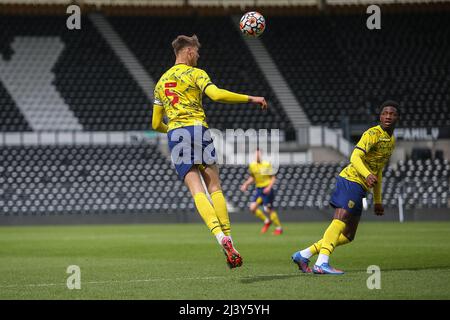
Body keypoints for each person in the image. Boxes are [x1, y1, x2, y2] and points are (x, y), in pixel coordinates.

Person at [151, 35, 267, 269]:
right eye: (197, 52)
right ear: (189, 51)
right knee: (214, 186)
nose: (199, 56)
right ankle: (230, 239)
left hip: (176, 134)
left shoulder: (161, 82)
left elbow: (155, 124)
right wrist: (251, 98)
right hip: (197, 129)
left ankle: (219, 238)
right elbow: (216, 95)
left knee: (197, 192)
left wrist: (173, 129)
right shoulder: (197, 73)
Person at [291, 101, 399, 274]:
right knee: (340, 219)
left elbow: (378, 171)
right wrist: (366, 174)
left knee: (349, 235)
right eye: (385, 113)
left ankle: (304, 254)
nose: (388, 116)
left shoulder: (391, 141)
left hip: (362, 186)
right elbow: (355, 157)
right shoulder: (372, 134)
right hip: (351, 179)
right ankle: (322, 262)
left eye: (392, 114)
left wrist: (378, 200)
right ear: (380, 116)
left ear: (397, 117)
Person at [240, 149, 283, 235]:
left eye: (259, 154)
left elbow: (273, 178)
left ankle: (279, 228)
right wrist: (245, 184)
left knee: (268, 209)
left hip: (267, 189)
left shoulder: (266, 165)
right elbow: (253, 177)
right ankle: (267, 221)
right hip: (259, 190)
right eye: (256, 154)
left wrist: (269, 187)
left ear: (261, 155)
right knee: (252, 208)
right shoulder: (252, 165)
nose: (257, 156)